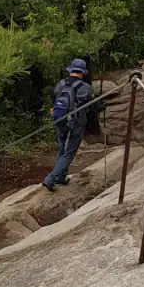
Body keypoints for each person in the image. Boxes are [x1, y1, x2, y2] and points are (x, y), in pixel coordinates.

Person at [43, 58, 97, 191]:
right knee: (69, 153)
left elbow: (55, 99)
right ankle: (51, 178)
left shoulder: (60, 84)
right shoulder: (85, 87)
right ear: (83, 72)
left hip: (59, 119)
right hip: (75, 123)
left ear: (71, 70)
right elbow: (89, 107)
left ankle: (61, 176)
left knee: (62, 148)